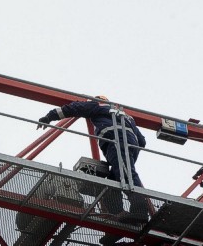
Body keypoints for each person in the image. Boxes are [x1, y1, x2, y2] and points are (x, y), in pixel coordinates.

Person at [37, 96, 149, 226]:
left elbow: (75, 108)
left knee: (125, 174)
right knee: (112, 184)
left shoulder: (96, 106)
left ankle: (140, 210)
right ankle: (118, 217)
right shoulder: (126, 116)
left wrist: (50, 116)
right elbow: (142, 141)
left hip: (115, 141)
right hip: (129, 146)